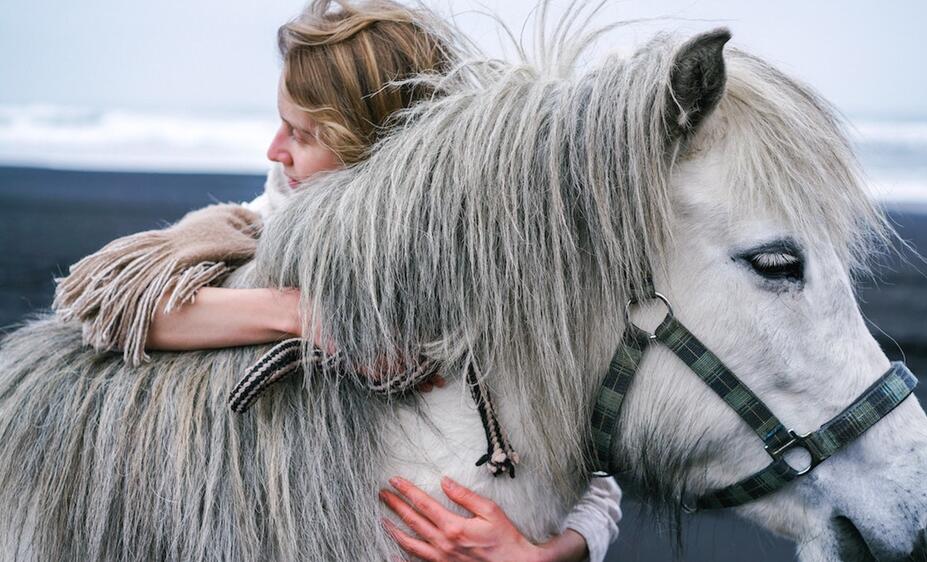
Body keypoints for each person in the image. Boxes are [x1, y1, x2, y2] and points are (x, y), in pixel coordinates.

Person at [52, 1, 623, 561]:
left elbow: (590, 460)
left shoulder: (495, 262)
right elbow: (126, 313)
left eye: (302, 133)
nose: (275, 151)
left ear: (370, 146)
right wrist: (306, 317)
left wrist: (549, 555)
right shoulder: (265, 226)